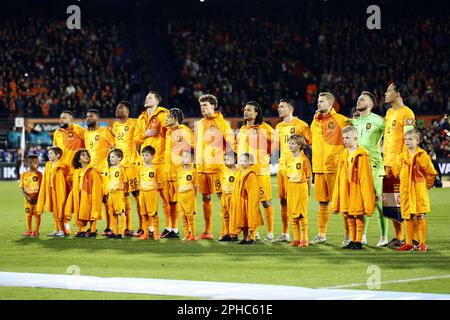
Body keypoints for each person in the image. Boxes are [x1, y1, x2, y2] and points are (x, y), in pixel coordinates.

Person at [349, 91, 388, 247]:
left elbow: (393, 135)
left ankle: (384, 237)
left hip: (375, 166)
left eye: (362, 99)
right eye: (358, 98)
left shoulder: (379, 121)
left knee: (380, 201)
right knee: (362, 202)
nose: (359, 100)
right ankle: (362, 235)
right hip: (359, 168)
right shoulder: (353, 122)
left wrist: (385, 149)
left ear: (371, 104)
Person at [310, 92, 349, 244]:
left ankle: (348, 235)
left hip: (334, 167)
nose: (318, 104)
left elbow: (354, 135)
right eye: (318, 101)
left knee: (342, 202)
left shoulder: (341, 120)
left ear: (330, 104)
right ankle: (321, 234)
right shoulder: (315, 121)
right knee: (322, 203)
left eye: (322, 102)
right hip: (319, 168)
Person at [196, 94, 236, 240]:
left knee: (223, 198)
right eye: (201, 106)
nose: (202, 108)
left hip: (217, 167)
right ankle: (208, 232)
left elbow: (232, 141)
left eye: (205, 105)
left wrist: (235, 157)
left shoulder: (221, 122)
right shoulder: (200, 123)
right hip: (202, 167)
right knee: (205, 198)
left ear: (213, 106)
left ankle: (228, 230)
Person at [273, 98, 312, 243]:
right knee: (283, 201)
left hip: (296, 168)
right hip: (282, 167)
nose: (279, 109)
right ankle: (285, 233)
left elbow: (310, 143)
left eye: (282, 106)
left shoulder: (302, 125)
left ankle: (302, 236)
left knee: (295, 202)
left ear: (290, 109)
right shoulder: (278, 127)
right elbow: (276, 147)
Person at [383, 82, 416, 248]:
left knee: (405, 201)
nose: (385, 93)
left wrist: (406, 162)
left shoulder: (407, 113)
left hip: (401, 164)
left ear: (397, 93)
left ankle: (414, 238)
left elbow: (410, 140)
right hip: (388, 163)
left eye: (389, 90)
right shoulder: (389, 112)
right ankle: (398, 237)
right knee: (391, 203)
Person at [331, 126, 375, 250]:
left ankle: (358, 241)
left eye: (347, 138)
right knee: (349, 215)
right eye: (343, 138)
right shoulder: (344, 154)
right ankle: (352, 240)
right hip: (346, 189)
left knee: (358, 214)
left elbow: (365, 177)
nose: (345, 140)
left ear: (355, 138)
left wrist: (366, 195)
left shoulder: (362, 154)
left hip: (357, 188)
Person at [236, 101, 275, 241]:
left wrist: (264, 155)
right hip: (244, 172)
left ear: (256, 112)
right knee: (248, 202)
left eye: (249, 110)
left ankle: (270, 233)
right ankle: (254, 231)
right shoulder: (242, 130)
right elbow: (237, 147)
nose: (245, 112)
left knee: (265, 201)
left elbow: (276, 143)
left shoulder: (265, 128)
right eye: (245, 109)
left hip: (260, 171)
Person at [393, 129, 437, 252]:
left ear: (417, 141)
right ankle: (409, 243)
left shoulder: (422, 155)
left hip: (418, 190)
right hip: (406, 190)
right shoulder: (401, 156)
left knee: (420, 215)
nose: (407, 141)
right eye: (406, 139)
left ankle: (422, 243)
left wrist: (424, 186)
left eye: (410, 139)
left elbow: (431, 173)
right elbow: (396, 171)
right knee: (407, 216)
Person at [134, 91, 170, 237]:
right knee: (145, 198)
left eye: (149, 97)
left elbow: (170, 131)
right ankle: (148, 230)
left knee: (165, 197)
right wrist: (145, 134)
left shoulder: (163, 114)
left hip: (160, 161)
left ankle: (170, 227)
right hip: (145, 162)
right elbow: (136, 138)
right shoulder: (141, 117)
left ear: (157, 101)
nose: (146, 99)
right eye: (146, 97)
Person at [162, 108, 194, 238]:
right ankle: (174, 230)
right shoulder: (169, 131)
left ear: (175, 118)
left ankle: (190, 231)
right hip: (169, 172)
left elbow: (193, 146)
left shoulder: (184, 131)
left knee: (185, 204)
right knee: (171, 203)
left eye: (169, 116)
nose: (166, 119)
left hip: (180, 172)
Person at [84, 109, 115, 237]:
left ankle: (110, 227)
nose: (87, 119)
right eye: (86, 117)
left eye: (90, 117)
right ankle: (92, 228)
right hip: (90, 171)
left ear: (97, 118)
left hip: (102, 171)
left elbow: (115, 147)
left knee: (105, 198)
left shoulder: (105, 131)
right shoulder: (85, 133)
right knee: (91, 199)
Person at [112, 101, 140, 237]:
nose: (117, 109)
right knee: (124, 195)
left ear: (127, 110)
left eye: (120, 107)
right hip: (120, 166)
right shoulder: (115, 126)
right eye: (117, 107)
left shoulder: (134, 123)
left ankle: (144, 227)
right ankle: (127, 228)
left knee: (137, 195)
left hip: (132, 164)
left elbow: (140, 140)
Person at [65, 149, 103, 237]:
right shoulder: (77, 172)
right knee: (81, 213)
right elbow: (73, 183)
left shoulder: (92, 171)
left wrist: (95, 196)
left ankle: (93, 231)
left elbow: (97, 185)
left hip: (90, 194)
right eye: (83, 155)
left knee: (91, 213)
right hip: (80, 195)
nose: (86, 156)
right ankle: (81, 230)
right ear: (78, 159)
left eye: (87, 155)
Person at [229, 153, 264, 245]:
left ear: (250, 162)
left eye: (245, 161)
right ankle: (245, 237)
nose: (242, 163)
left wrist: (252, 203)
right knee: (243, 219)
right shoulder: (240, 173)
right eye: (241, 161)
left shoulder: (251, 174)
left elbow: (253, 191)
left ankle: (252, 237)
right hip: (240, 201)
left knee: (251, 217)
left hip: (248, 201)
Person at [37, 146, 70, 238]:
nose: (49, 155)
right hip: (51, 190)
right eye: (49, 153)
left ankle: (62, 230)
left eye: (51, 153)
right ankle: (57, 229)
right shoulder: (48, 165)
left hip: (59, 191)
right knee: (54, 211)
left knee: (60, 210)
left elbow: (67, 179)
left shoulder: (62, 166)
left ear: (58, 155)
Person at [285, 135, 312, 247]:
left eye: (293, 143)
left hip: (301, 187)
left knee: (302, 214)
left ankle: (304, 239)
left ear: (300, 145)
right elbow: (288, 176)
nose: (290, 145)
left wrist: (308, 191)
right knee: (293, 213)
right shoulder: (288, 159)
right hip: (291, 188)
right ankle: (296, 239)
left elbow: (309, 177)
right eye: (289, 143)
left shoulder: (304, 159)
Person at [137, 146, 160, 240]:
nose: (144, 157)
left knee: (153, 213)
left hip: (151, 193)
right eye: (142, 155)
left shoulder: (155, 168)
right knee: (144, 213)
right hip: (142, 193)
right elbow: (138, 181)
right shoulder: (140, 168)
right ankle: (146, 234)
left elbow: (159, 182)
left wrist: (154, 190)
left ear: (152, 156)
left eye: (147, 155)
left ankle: (156, 233)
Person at [19, 154, 43, 237]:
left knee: (37, 215)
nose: (36, 164)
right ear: (27, 163)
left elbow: (41, 188)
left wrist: (39, 197)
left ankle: (36, 231)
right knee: (28, 215)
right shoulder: (24, 174)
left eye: (37, 162)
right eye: (33, 162)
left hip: (37, 200)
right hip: (28, 200)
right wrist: (27, 196)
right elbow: (21, 188)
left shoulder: (40, 175)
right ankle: (29, 231)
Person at [107, 149, 129, 239]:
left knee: (121, 213)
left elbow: (125, 182)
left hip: (119, 193)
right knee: (113, 214)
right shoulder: (111, 169)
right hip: (111, 193)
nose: (111, 159)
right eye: (110, 157)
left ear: (119, 158)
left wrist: (124, 193)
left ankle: (121, 233)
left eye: (113, 157)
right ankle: (115, 232)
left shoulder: (122, 169)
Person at [178, 150, 198, 241]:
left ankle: (192, 235)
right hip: (180, 196)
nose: (183, 159)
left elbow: (196, 185)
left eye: (186, 157)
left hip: (189, 195)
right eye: (183, 157)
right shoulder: (179, 170)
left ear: (191, 160)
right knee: (182, 216)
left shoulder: (193, 171)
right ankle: (186, 235)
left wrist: (194, 196)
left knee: (190, 216)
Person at [218, 151, 238, 241]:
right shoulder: (224, 171)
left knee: (232, 214)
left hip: (232, 196)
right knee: (224, 214)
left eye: (228, 159)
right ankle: (226, 233)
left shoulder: (237, 173)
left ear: (234, 160)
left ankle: (233, 234)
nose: (225, 161)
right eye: (225, 159)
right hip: (224, 195)